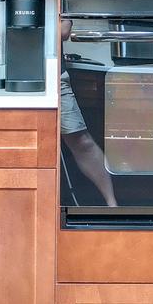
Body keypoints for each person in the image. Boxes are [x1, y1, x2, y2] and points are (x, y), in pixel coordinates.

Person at [58, 18, 118, 206]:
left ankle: (112, 205)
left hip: (55, 77)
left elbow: (63, 31)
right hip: (14, 79)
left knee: (81, 141)